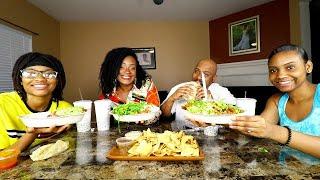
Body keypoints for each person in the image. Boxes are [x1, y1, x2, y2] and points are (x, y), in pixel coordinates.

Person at [229, 44, 320, 158]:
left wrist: (276, 132)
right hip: (286, 171)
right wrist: (215, 117)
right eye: (273, 70)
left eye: (290, 67)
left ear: (308, 67)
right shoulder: (277, 100)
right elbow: (256, 130)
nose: (280, 75)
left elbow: (270, 130)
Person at [0, 52, 72, 152]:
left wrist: (69, 129)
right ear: (20, 79)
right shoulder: (2, 104)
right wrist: (32, 134)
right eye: (30, 73)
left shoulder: (66, 110)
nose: (40, 79)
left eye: (49, 74)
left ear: (57, 80)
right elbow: (3, 159)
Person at [160, 58, 236, 129]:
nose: (199, 77)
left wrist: (211, 101)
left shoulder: (221, 91)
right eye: (197, 71)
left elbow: (233, 117)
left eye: (205, 74)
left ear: (213, 78)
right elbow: (163, 116)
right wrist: (172, 98)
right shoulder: (179, 88)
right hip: (183, 133)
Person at [99, 47, 160, 114]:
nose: (127, 71)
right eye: (121, 67)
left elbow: (155, 112)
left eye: (132, 68)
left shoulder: (147, 85)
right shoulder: (108, 89)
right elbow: (103, 115)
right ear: (112, 69)